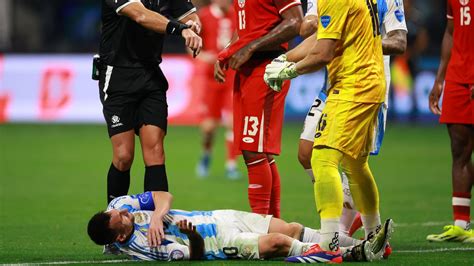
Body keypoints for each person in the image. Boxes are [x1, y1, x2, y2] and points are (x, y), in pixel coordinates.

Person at [264, 0, 387, 262]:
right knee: (355, 164)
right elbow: (322, 36)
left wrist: (288, 71)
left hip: (353, 86)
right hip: (371, 82)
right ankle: (376, 236)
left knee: (321, 157)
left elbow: (323, 53)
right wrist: (285, 57)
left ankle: (328, 245)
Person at [295, 0, 407, 242]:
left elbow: (399, 42)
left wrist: (362, 40)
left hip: (364, 81)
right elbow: (310, 32)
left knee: (337, 158)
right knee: (309, 152)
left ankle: (335, 237)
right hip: (335, 82)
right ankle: (365, 230)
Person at [87, 191, 392, 262]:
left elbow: (162, 196)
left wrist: (155, 215)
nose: (126, 213)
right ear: (121, 234)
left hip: (220, 215)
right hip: (219, 243)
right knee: (277, 242)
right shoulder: (146, 247)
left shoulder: (116, 208)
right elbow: (191, 257)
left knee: (291, 227)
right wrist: (192, 236)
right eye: (123, 220)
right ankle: (357, 254)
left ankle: (361, 244)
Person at [98, 1, 201, 204]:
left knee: (156, 152)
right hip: (118, 76)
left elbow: (190, 17)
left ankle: (155, 224)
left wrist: (193, 26)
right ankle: (114, 220)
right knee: (123, 156)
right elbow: (141, 16)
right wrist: (181, 29)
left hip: (151, 76)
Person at [214, 0, 303, 219]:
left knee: (253, 149)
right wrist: (227, 51)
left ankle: (261, 226)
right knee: (255, 149)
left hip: (267, 67)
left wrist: (250, 47)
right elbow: (246, 29)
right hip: (247, 69)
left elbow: (295, 22)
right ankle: (272, 224)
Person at [427, 0, 474, 243]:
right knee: (459, 149)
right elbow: (450, 31)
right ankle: (461, 224)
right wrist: (440, 78)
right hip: (458, 75)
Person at [194, 0, 240, 180]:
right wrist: (205, 56)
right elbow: (192, 48)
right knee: (208, 128)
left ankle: (231, 165)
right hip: (210, 79)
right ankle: (206, 155)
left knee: (233, 121)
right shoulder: (204, 16)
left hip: (232, 76)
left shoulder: (237, 13)